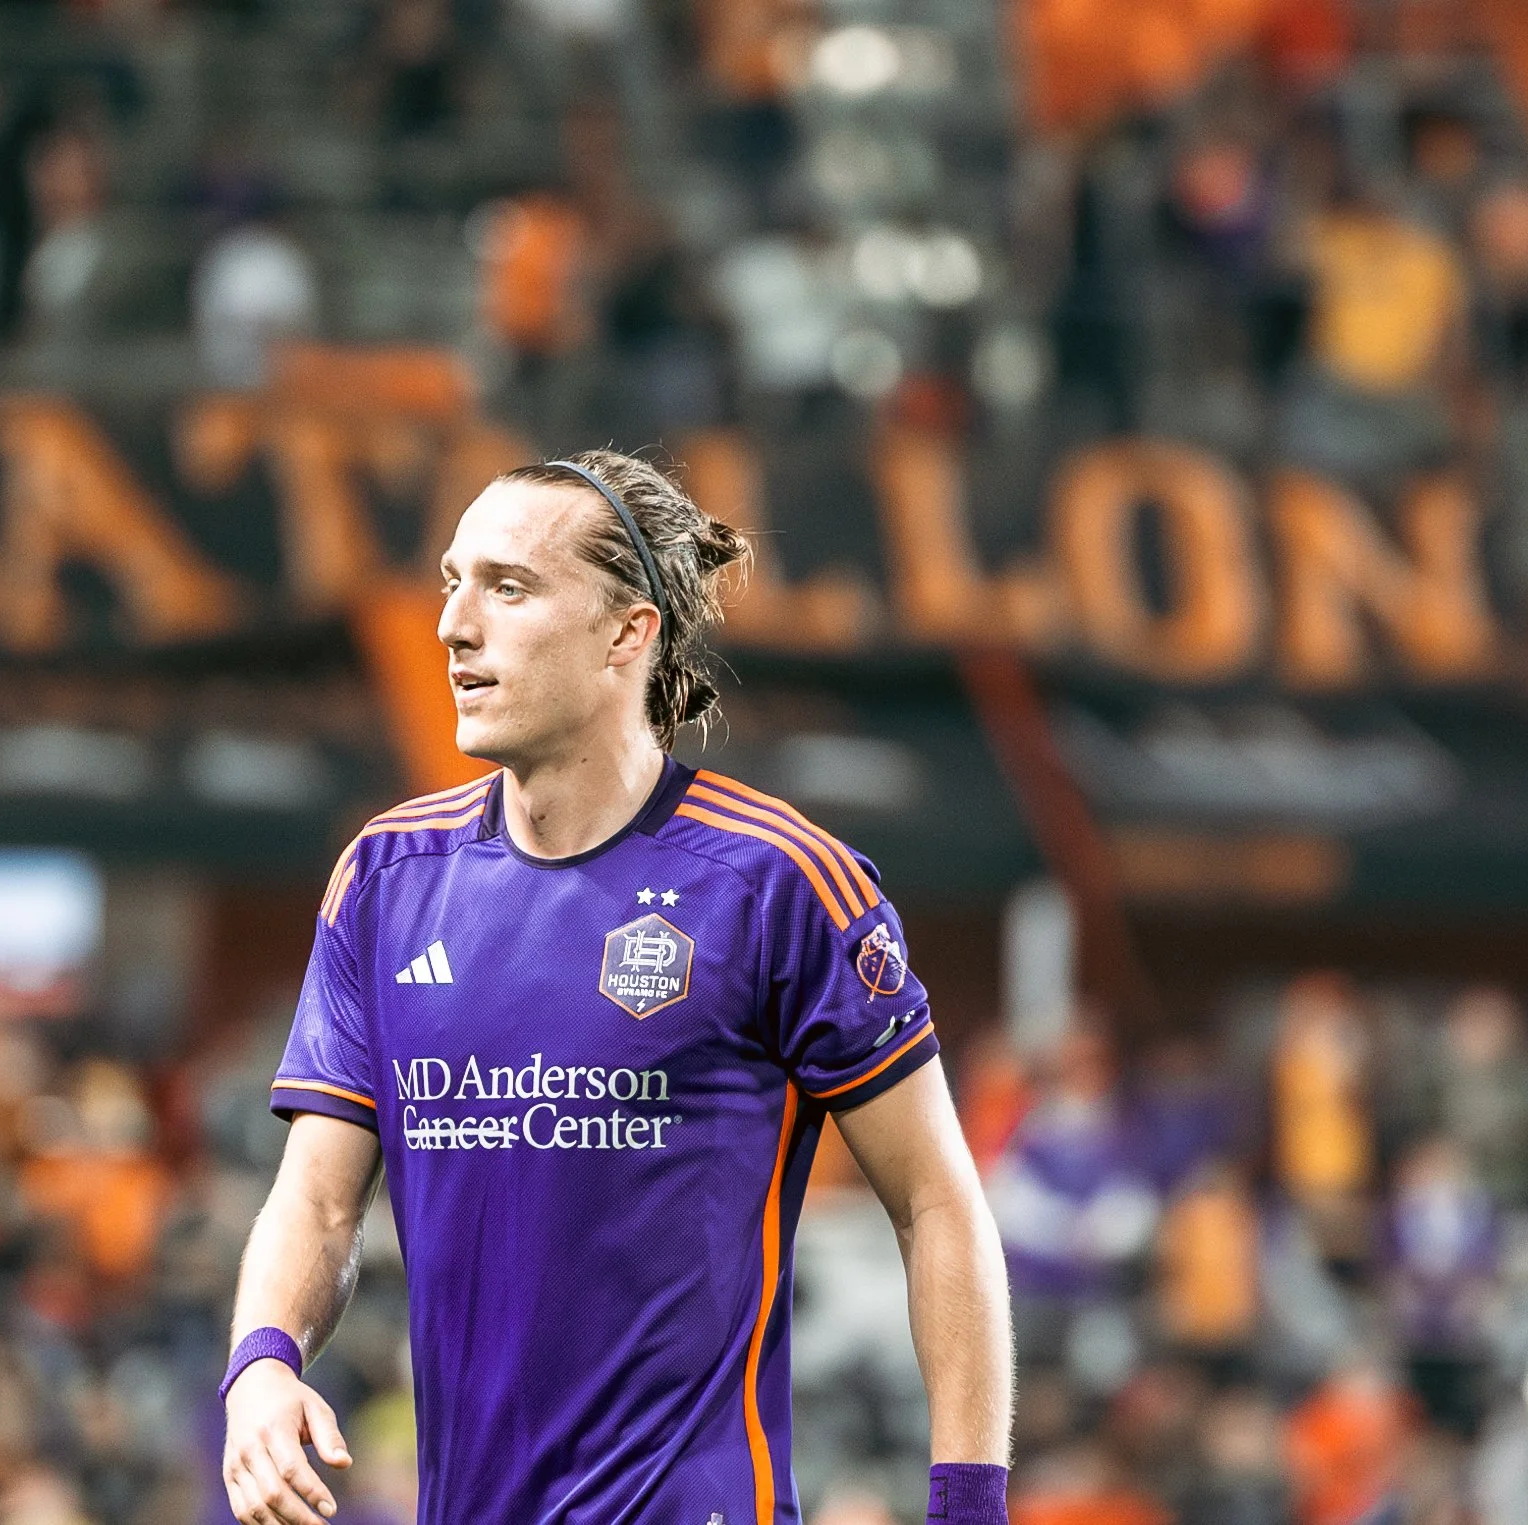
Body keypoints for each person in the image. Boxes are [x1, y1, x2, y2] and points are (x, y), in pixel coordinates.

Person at [219, 450, 1014, 1524]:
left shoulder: (778, 883)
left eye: (507, 587)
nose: (452, 624)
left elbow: (936, 1203)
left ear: (626, 633)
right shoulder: (384, 879)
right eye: (451, 581)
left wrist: (968, 1506)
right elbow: (316, 1201)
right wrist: (262, 1362)